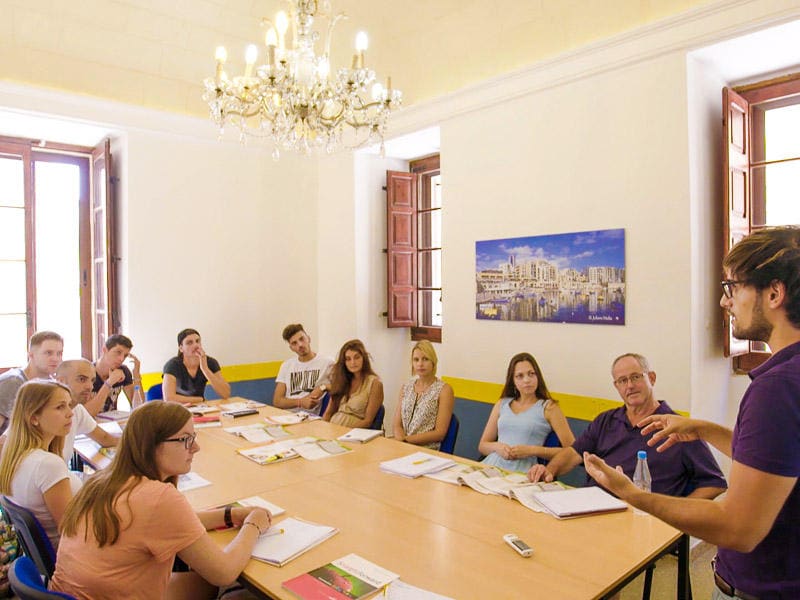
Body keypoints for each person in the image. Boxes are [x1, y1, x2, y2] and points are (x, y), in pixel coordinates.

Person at [583, 227, 800, 599]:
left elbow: (738, 528)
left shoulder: (776, 389)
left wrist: (634, 496)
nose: (723, 301)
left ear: (774, 293)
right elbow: (779, 462)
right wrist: (704, 430)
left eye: (732, 287)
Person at [50, 401, 271, 600]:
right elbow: (223, 572)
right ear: (152, 445)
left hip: (74, 593)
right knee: (236, 590)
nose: (195, 447)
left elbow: (166, 524)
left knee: (203, 580)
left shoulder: (104, 480)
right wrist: (254, 524)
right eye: (185, 439)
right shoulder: (158, 498)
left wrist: (229, 515)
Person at [529, 353, 727, 500]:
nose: (629, 386)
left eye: (636, 377)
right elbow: (573, 453)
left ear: (652, 378)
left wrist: (675, 513)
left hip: (641, 517)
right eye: (622, 381)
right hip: (591, 507)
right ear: (616, 386)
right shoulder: (606, 420)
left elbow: (715, 484)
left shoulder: (677, 428)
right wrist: (549, 471)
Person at [0, 381, 80, 548]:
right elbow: (72, 531)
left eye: (69, 405)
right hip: (69, 556)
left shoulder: (13, 456)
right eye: (60, 407)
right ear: (34, 418)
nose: (70, 413)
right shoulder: (48, 465)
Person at [479, 353, 574, 473]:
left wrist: (532, 450)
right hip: (491, 466)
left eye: (531, 374)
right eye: (519, 376)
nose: (527, 380)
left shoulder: (549, 407)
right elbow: (483, 445)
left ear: (538, 376)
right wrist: (498, 447)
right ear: (512, 381)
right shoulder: (502, 404)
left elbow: (572, 451)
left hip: (524, 472)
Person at [392, 340, 455, 450]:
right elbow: (397, 424)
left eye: (425, 359)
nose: (420, 364)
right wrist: (400, 441)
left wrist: (406, 440)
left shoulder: (444, 390)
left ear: (433, 362)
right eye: (416, 360)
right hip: (402, 446)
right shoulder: (406, 387)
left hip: (427, 450)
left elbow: (439, 433)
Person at [56, 360, 119, 463]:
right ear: (61, 381)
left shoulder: (77, 409)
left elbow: (104, 438)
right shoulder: (46, 414)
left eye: (92, 380)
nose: (90, 387)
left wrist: (137, 442)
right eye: (82, 379)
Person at [0, 331, 63, 435]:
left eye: (59, 353)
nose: (55, 359)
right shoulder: (12, 382)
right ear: (31, 355)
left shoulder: (52, 384)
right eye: (48, 353)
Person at [322, 339, 384, 428]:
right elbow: (328, 413)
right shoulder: (341, 381)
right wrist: (322, 432)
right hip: (333, 429)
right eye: (348, 359)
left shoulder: (375, 384)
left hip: (352, 434)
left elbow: (368, 421)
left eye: (357, 357)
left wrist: (343, 433)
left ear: (364, 358)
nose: (353, 362)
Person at [272, 324, 333, 413]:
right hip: (286, 416)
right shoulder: (286, 365)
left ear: (308, 338)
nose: (300, 345)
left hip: (310, 418)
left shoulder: (327, 362)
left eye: (302, 339)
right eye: (294, 343)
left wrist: (322, 387)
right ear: (291, 348)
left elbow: (342, 386)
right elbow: (277, 401)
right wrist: (300, 402)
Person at [163, 329, 231, 404]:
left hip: (200, 408)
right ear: (181, 348)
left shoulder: (210, 362)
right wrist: (200, 399)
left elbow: (226, 394)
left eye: (198, 341)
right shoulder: (172, 365)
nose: (195, 345)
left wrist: (205, 369)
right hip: (179, 408)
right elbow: (169, 398)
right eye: (189, 343)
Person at [87, 334, 142, 416]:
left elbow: (139, 408)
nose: (121, 359)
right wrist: (109, 382)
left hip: (112, 423)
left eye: (125, 355)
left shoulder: (123, 371)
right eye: (118, 352)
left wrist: (136, 376)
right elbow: (86, 413)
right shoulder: (87, 373)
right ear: (105, 350)